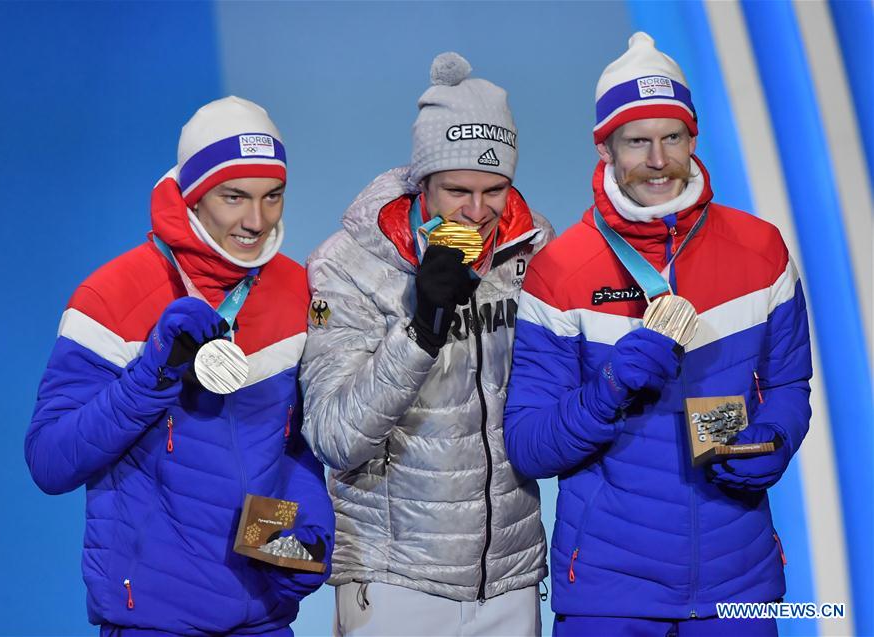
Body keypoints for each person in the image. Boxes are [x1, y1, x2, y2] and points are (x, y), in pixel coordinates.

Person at [504, 33, 811, 636]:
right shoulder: (560, 270)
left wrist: (773, 439)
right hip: (609, 594)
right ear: (605, 150)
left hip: (739, 587)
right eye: (636, 141)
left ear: (693, 140)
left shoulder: (761, 249)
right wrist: (611, 385)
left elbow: (789, 383)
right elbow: (531, 445)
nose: (657, 159)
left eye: (672, 137)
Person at [25, 96, 334, 636]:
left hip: (263, 620)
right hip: (153, 622)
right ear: (193, 196)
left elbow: (292, 442)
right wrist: (153, 376)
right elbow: (50, 461)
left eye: (273, 196)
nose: (256, 221)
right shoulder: (112, 294)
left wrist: (301, 537)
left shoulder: (296, 290)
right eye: (234, 197)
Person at [299, 52, 553, 636]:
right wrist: (421, 328)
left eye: (496, 190)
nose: (478, 211)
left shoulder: (532, 251)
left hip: (510, 577)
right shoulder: (347, 265)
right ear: (422, 181)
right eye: (457, 190)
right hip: (394, 579)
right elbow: (336, 436)